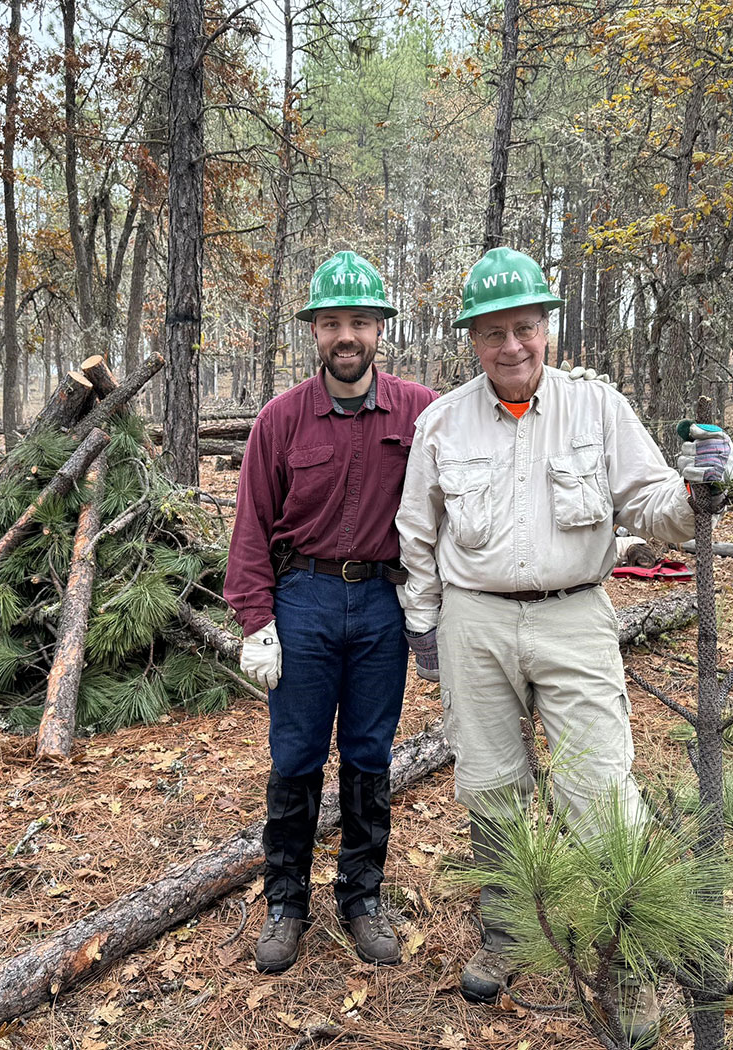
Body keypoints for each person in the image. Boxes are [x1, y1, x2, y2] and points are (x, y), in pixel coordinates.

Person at [394, 247, 733, 1037]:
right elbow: (418, 532)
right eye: (492, 334)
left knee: (601, 790)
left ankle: (628, 965)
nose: (510, 347)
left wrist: (699, 490)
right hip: (474, 618)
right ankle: (510, 932)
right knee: (489, 784)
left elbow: (653, 504)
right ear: (471, 340)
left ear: (546, 327)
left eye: (523, 328)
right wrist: (423, 624)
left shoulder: (598, 410)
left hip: (576, 614)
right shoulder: (442, 422)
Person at [225, 250, 438, 974]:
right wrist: (257, 621)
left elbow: (471, 464)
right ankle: (286, 902)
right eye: (331, 323)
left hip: (382, 601)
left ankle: (362, 898)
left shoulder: (420, 411)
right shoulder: (281, 421)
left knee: (371, 755)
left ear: (380, 329)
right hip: (305, 599)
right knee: (295, 758)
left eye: (359, 322)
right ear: (314, 331)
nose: (345, 336)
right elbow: (251, 526)